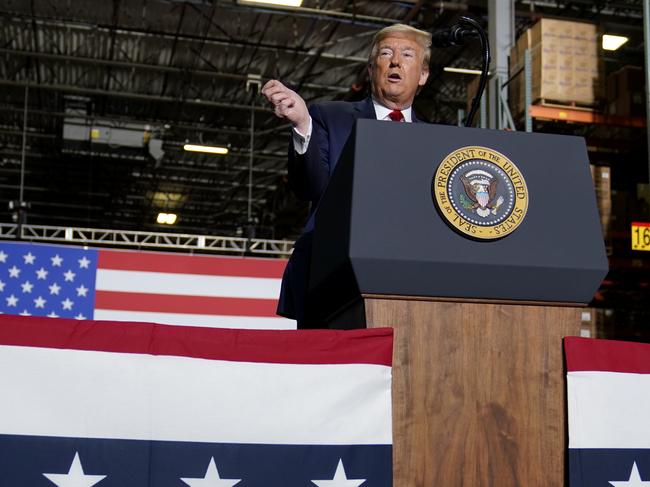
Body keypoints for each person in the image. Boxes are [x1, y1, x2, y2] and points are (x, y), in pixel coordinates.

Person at [261, 23, 432, 328]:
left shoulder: (436, 140)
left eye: (407, 54)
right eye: (386, 53)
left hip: (411, 285)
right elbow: (309, 186)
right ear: (370, 69)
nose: (395, 61)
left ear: (422, 75)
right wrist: (303, 124)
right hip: (333, 280)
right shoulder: (329, 116)